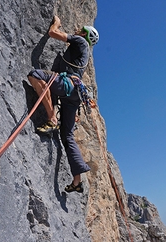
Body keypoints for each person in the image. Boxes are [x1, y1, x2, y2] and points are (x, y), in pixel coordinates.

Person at [27, 15, 99, 193]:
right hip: (74, 93)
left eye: (81, 29)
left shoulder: (80, 41)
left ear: (85, 33)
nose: (77, 29)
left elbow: (53, 33)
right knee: (67, 135)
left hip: (68, 85)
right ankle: (77, 181)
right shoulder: (84, 53)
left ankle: (52, 119)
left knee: (35, 75)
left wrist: (57, 23)